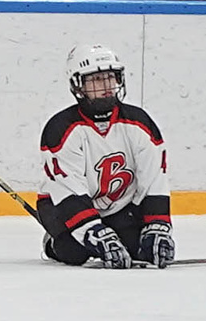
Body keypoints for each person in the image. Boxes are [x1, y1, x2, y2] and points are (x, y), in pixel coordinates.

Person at [36, 44, 175, 268]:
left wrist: (158, 224)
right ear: (78, 85)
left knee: (141, 250)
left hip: (120, 207)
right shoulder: (60, 128)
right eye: (96, 80)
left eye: (110, 77)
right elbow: (67, 189)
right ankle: (54, 242)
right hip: (61, 205)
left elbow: (154, 179)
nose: (107, 86)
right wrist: (92, 231)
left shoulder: (139, 123)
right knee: (75, 253)